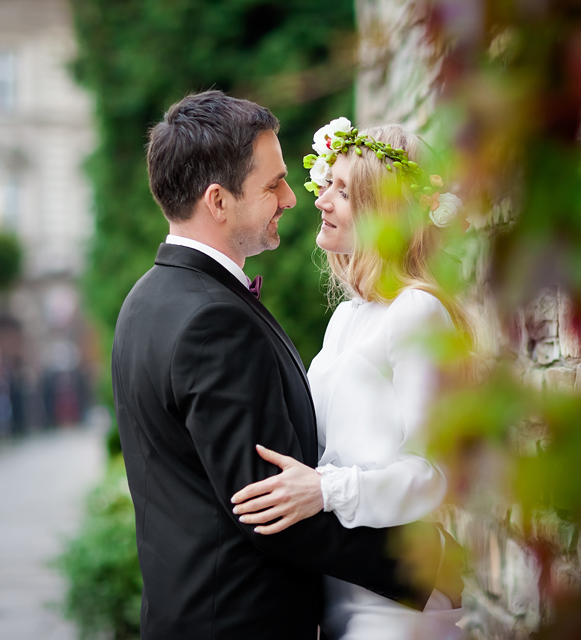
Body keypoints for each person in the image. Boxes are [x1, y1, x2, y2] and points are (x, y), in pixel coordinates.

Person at [112, 91, 461, 640]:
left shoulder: (145, 300)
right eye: (274, 183)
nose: (298, 198)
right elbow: (264, 505)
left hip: (355, 604)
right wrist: (430, 563)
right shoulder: (213, 319)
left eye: (338, 189)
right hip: (240, 619)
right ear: (218, 201)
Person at [230, 119, 470, 639]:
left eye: (343, 191)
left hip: (396, 597)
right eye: (327, 185)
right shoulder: (348, 318)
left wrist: (325, 491)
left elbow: (432, 474)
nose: (320, 200)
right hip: (337, 585)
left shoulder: (418, 312)